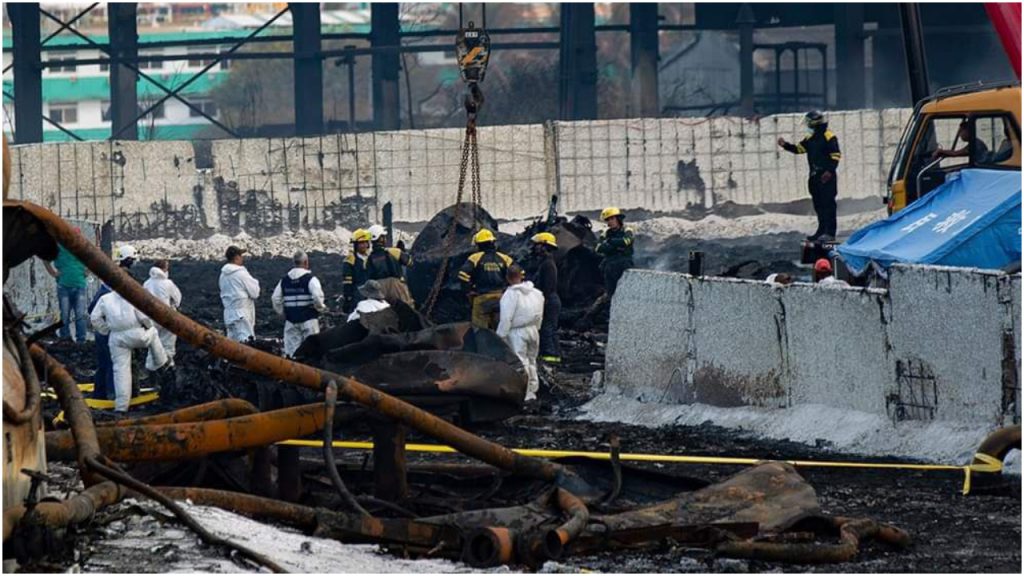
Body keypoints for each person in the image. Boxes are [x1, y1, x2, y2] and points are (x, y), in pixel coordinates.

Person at [90, 280, 169, 413]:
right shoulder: (133, 297)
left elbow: (94, 318)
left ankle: (121, 407)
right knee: (153, 335)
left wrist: (106, 330)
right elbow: (144, 317)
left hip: (117, 338)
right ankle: (161, 364)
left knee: (120, 371)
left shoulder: (105, 299)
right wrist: (148, 327)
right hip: (136, 333)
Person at [777, 110, 842, 242]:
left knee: (828, 205)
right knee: (818, 205)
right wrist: (786, 145)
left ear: (814, 123)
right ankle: (821, 230)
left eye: (808, 123)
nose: (807, 126)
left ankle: (830, 232)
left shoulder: (829, 136)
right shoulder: (810, 138)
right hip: (814, 177)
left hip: (827, 178)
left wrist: (829, 171)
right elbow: (800, 149)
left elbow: (835, 155)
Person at [88, 244, 137, 401]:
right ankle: (111, 394)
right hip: (111, 333)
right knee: (113, 364)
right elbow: (94, 311)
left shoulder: (108, 283)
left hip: (107, 332)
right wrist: (107, 329)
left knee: (105, 364)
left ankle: (100, 393)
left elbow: (92, 310)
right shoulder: (110, 291)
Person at [496, 265, 545, 402]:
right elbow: (540, 313)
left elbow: (506, 318)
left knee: (520, 362)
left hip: (517, 332)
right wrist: (537, 328)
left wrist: (500, 336)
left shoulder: (510, 295)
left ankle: (524, 392)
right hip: (533, 330)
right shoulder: (536, 293)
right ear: (522, 276)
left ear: (507, 278)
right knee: (531, 360)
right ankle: (532, 391)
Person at [271, 251, 327, 357]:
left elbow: (275, 298)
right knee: (312, 352)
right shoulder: (311, 279)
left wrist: (282, 313)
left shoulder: (284, 280)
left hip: (291, 321)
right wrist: (320, 308)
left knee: (291, 353)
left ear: (294, 263)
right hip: (309, 320)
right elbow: (317, 297)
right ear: (306, 262)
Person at [458, 229, 514, 330]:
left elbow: (463, 275)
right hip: (501, 299)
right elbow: (519, 274)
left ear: (479, 244)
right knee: (501, 331)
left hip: (482, 298)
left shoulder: (475, 258)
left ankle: (482, 345)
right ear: (493, 242)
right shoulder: (505, 258)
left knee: (480, 331)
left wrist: (468, 291)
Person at [44, 241, 90, 343]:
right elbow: (45, 260)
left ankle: (81, 340)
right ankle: (65, 339)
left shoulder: (80, 248)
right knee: (65, 315)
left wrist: (87, 271)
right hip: (64, 287)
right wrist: (53, 273)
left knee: (80, 315)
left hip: (79, 286)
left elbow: (92, 259)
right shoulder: (58, 248)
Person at [143, 259, 182, 366]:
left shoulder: (146, 283)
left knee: (153, 346)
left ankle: (151, 370)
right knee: (167, 345)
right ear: (164, 269)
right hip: (167, 317)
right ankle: (166, 367)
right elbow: (177, 299)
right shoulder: (168, 283)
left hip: (151, 318)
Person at [530, 232, 561, 364]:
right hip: (550, 300)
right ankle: (554, 356)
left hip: (549, 301)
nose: (535, 248)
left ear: (544, 246)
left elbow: (548, 286)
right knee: (550, 328)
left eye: (537, 245)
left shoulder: (547, 264)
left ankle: (550, 357)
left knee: (547, 329)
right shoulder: (546, 262)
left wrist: (542, 301)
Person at [219, 245, 260, 342]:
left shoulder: (222, 275)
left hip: (229, 314)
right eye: (241, 255)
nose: (242, 258)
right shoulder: (241, 273)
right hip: (242, 314)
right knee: (246, 344)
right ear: (236, 257)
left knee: (231, 346)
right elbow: (255, 292)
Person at [366, 224, 415, 305]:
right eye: (383, 236)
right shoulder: (394, 252)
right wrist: (403, 252)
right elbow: (410, 262)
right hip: (395, 286)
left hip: (378, 289)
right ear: (381, 238)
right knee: (407, 310)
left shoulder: (368, 259)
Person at [595, 207, 635, 297]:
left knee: (627, 290)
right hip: (610, 265)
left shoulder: (627, 230)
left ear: (618, 219)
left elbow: (626, 241)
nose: (610, 222)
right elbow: (598, 248)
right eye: (608, 220)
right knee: (611, 293)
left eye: (612, 218)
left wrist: (610, 243)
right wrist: (616, 246)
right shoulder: (605, 233)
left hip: (624, 264)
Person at [342, 229, 372, 313]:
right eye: (360, 243)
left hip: (371, 293)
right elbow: (347, 282)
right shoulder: (350, 260)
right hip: (357, 294)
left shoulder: (371, 258)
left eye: (365, 242)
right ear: (355, 245)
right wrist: (348, 297)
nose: (363, 245)